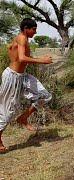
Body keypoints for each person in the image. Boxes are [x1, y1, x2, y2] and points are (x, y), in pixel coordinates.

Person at [0, 18, 53, 153]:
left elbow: (18, 57)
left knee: (45, 96)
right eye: (33, 29)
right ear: (26, 28)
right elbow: (22, 58)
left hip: (22, 77)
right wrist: (43, 61)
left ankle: (23, 118)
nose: (35, 32)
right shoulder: (22, 38)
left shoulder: (22, 39)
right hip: (12, 77)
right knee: (7, 112)